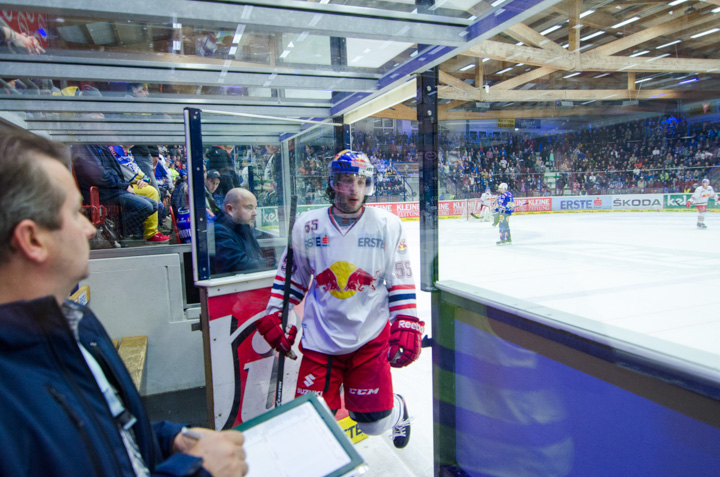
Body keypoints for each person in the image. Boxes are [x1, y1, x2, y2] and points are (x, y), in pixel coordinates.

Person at [0, 129, 248, 477]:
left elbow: (112, 435)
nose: (89, 228)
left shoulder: (75, 322)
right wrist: (197, 471)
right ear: (32, 239)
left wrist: (170, 439)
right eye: (74, 213)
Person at [256, 150, 423, 449]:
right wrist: (276, 316)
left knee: (374, 423)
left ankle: (397, 409)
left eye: (361, 181)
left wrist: (407, 321)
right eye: (347, 181)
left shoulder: (387, 224)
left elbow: (399, 277)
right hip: (321, 339)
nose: (355, 189)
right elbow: (293, 277)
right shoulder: (308, 225)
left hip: (370, 338)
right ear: (333, 184)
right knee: (311, 423)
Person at [72, 145, 170, 245]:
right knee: (146, 206)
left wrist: (126, 184)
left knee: (153, 204)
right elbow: (100, 176)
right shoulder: (87, 147)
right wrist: (124, 185)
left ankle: (116, 231)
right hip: (104, 192)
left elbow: (115, 173)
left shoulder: (100, 146)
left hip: (113, 188)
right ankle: (116, 231)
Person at [213, 188, 270, 274]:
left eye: (255, 208)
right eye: (249, 207)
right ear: (230, 209)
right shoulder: (219, 232)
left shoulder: (243, 228)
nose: (255, 213)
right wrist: (269, 263)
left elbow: (256, 257)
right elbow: (238, 265)